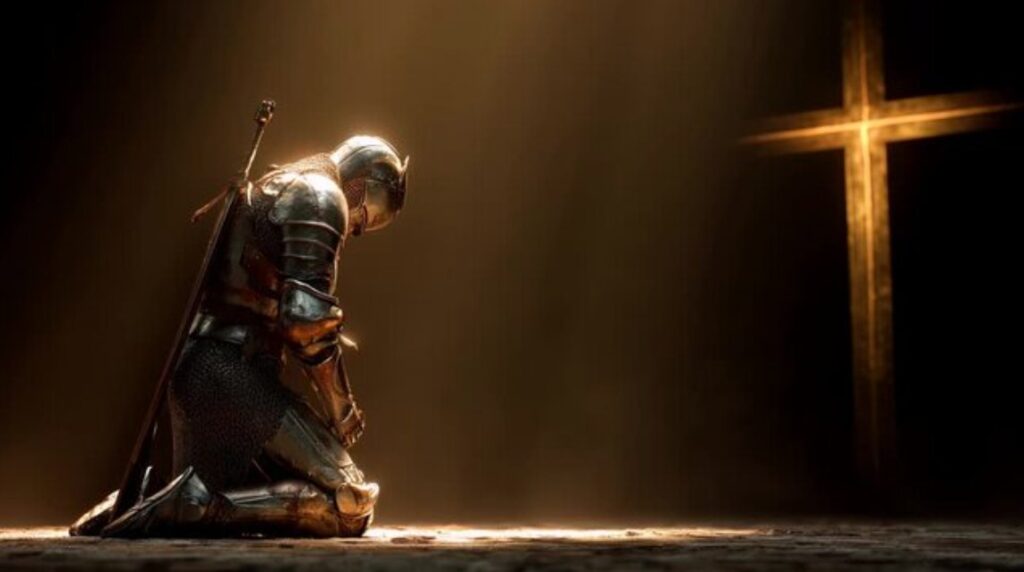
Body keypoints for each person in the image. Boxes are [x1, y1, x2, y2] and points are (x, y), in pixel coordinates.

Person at [70, 135, 408, 538]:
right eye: (364, 219)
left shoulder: (277, 183)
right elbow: (306, 323)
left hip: (204, 371)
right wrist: (342, 410)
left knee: (253, 483)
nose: (356, 228)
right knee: (351, 503)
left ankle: (154, 495)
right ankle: (197, 508)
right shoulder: (321, 196)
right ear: (363, 186)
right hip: (231, 377)